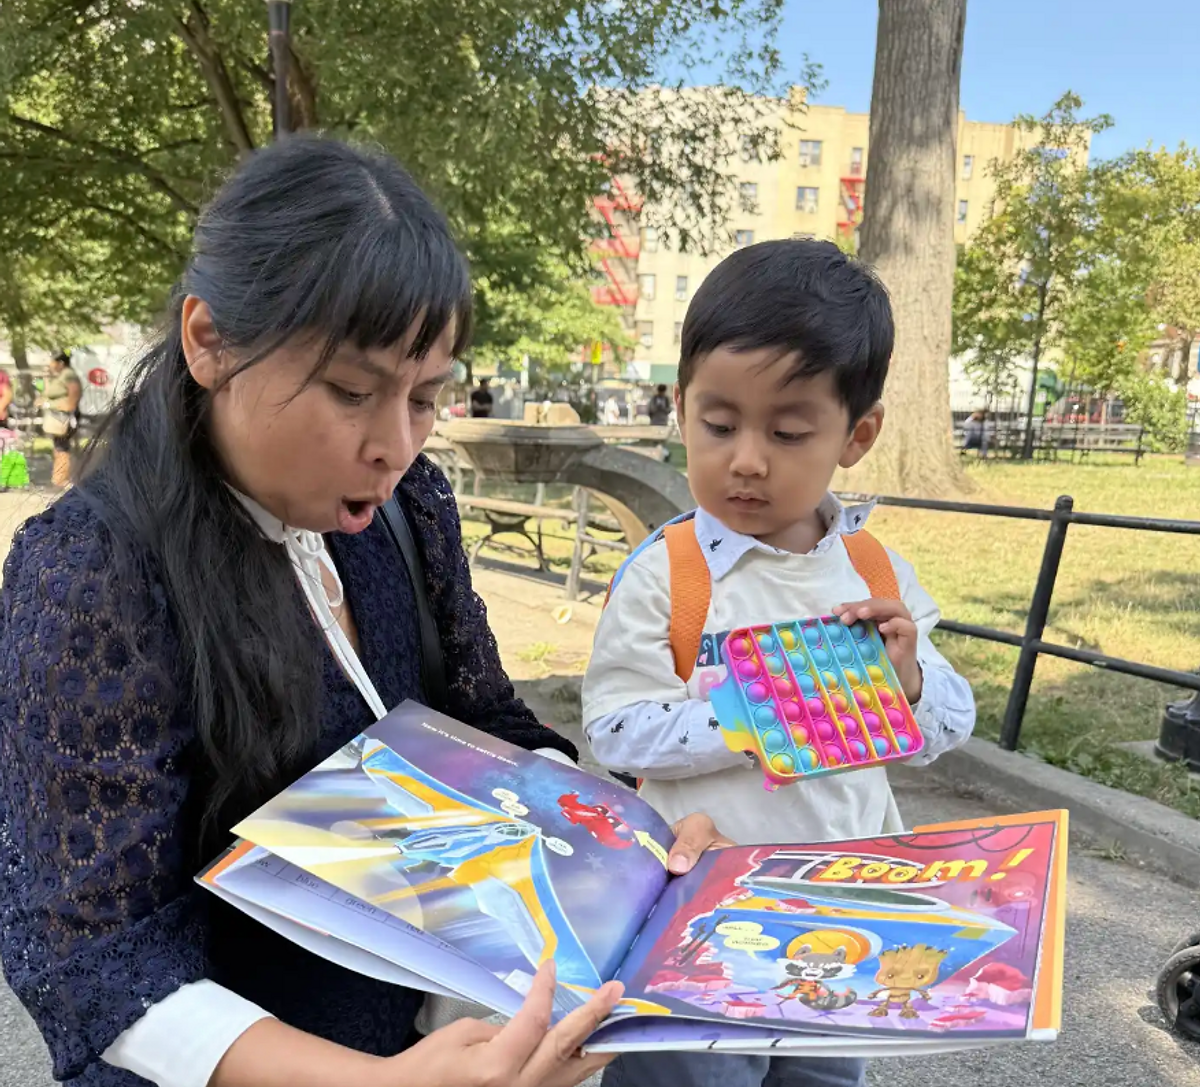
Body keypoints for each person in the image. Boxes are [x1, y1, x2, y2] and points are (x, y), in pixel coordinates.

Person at [0, 135, 733, 1087]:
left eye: (426, 398)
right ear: (209, 340)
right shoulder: (92, 572)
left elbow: (485, 724)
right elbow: (92, 959)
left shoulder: (409, 509)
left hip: (417, 1042)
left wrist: (624, 847)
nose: (393, 445)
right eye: (353, 392)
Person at [581, 240, 976, 1087]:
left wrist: (905, 681)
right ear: (681, 408)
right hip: (701, 918)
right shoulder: (670, 574)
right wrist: (763, 712)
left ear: (856, 435)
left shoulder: (875, 573)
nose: (747, 459)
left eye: (789, 431)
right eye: (718, 425)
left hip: (846, 905)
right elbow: (614, 731)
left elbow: (945, 728)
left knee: (825, 1078)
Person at [43, 349, 82, 486]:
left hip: (64, 417)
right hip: (56, 417)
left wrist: (63, 406)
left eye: (52, 362)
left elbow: (73, 395)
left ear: (60, 362)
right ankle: (59, 476)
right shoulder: (59, 375)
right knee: (58, 447)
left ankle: (62, 478)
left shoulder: (68, 375)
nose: (50, 364)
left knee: (62, 448)